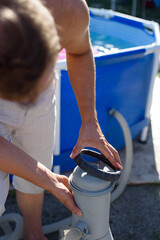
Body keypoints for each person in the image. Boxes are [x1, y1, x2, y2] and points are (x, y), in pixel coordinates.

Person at [0, 0, 123, 239]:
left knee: (38, 160)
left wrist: (90, 122)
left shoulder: (69, 10)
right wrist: (48, 178)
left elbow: (80, 51)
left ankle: (34, 233)